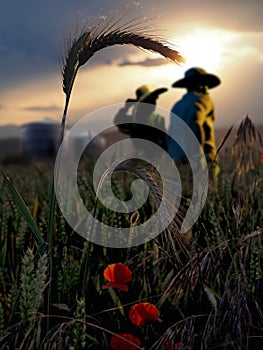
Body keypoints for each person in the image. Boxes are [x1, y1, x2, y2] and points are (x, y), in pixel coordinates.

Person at [167, 67, 221, 179]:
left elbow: (169, 134)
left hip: (175, 160)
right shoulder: (203, 100)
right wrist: (198, 158)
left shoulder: (177, 105)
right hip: (198, 160)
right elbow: (195, 125)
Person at [114, 84, 168, 154]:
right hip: (152, 159)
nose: (154, 103)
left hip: (144, 160)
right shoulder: (156, 119)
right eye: (151, 100)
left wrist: (126, 108)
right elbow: (166, 143)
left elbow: (118, 121)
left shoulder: (134, 120)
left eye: (154, 99)